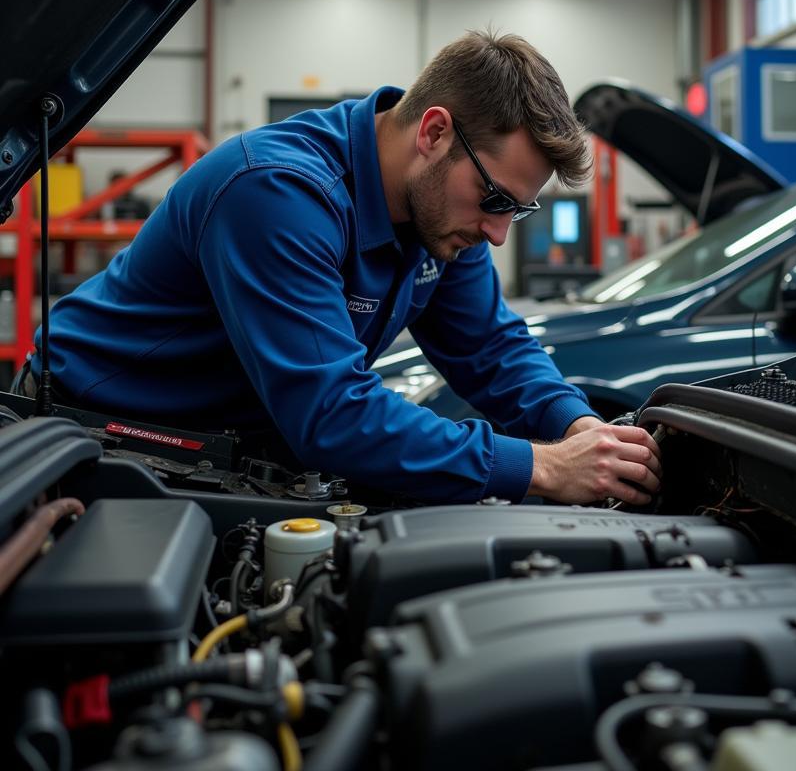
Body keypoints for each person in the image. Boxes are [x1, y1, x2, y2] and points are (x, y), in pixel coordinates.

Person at [14, 31, 661, 505]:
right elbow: (333, 415)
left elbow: (491, 346)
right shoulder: (276, 193)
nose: (495, 234)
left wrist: (579, 429)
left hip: (230, 444)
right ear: (434, 133)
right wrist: (541, 468)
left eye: (515, 213)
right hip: (95, 432)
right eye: (494, 201)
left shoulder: (441, 223)